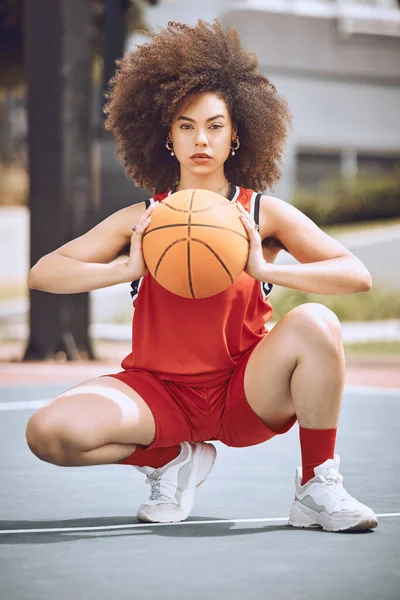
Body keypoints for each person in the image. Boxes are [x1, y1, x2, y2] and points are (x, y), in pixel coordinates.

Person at [25, 19, 377, 532]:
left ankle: (316, 484)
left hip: (245, 389)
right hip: (158, 393)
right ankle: (170, 459)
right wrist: (127, 267)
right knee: (48, 433)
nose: (200, 139)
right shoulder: (143, 218)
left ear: (237, 134)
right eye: (186, 125)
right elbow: (43, 273)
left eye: (215, 125)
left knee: (317, 322)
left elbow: (356, 273)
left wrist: (260, 267)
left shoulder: (262, 214)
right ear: (167, 137)